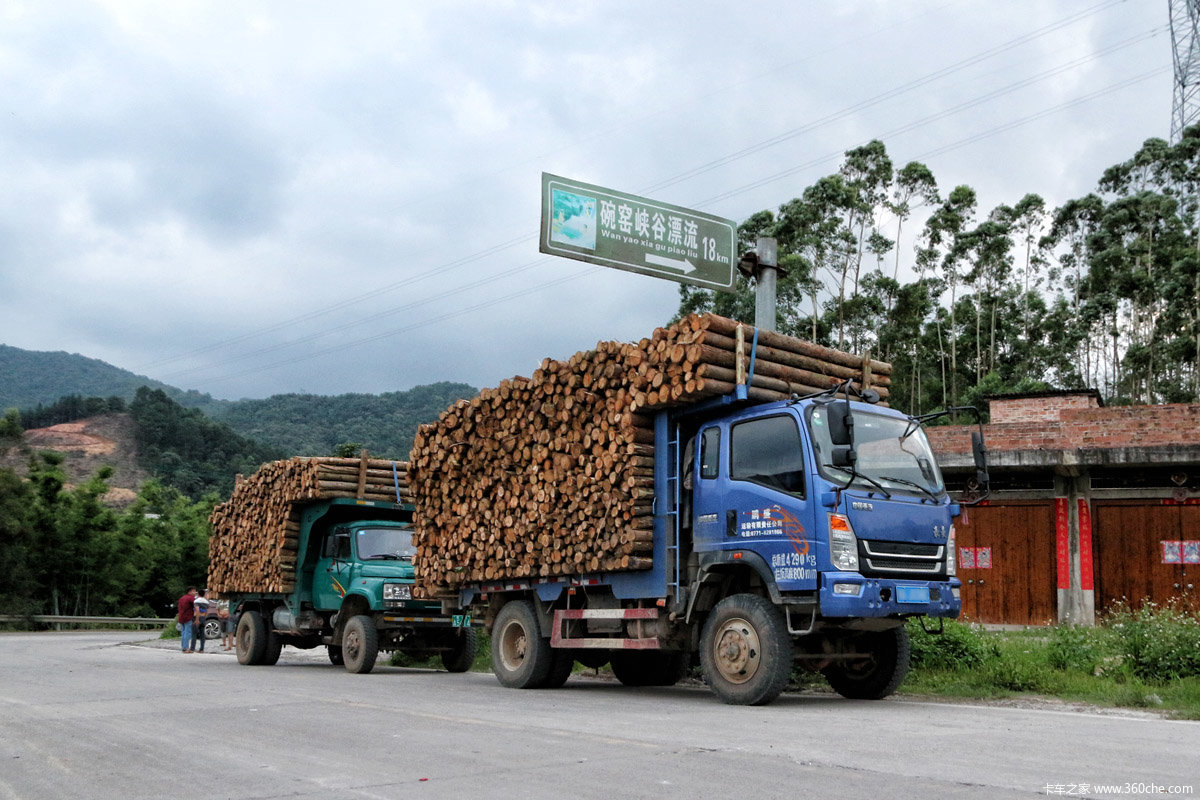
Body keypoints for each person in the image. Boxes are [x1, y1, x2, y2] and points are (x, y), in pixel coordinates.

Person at [176, 587, 197, 653]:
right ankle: (186, 648)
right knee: (187, 633)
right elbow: (196, 605)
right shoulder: (191, 598)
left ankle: (183, 647)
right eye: (194, 591)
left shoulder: (181, 598)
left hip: (181, 617)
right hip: (188, 617)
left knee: (183, 633)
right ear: (190, 592)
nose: (195, 593)